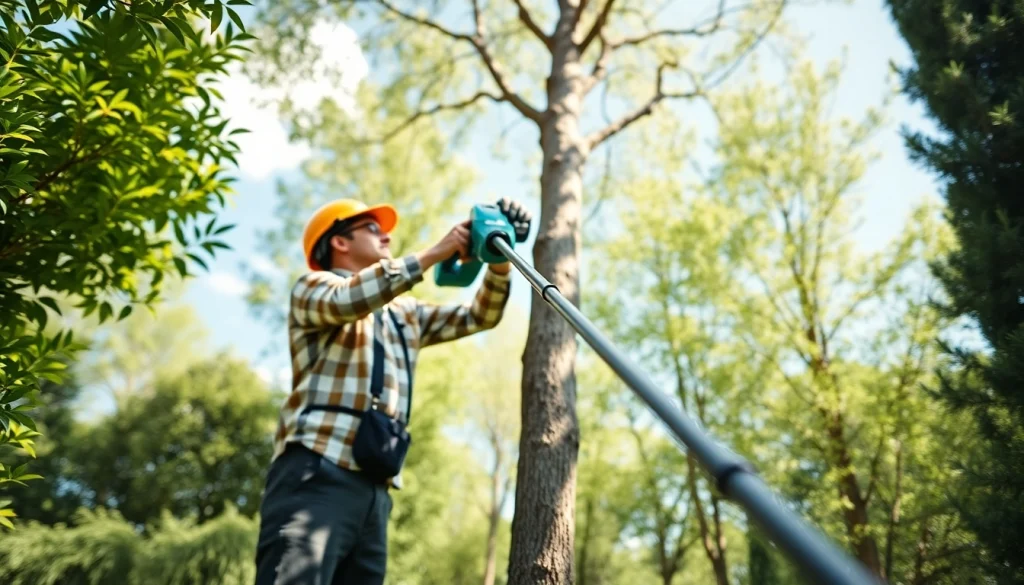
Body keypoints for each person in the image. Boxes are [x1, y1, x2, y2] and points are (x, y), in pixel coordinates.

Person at [254, 197, 532, 585]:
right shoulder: (314, 287)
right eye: (372, 228)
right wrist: (439, 251)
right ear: (339, 241)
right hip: (316, 470)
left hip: (376, 490)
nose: (386, 235)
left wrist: (496, 255)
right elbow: (351, 299)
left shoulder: (405, 314)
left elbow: (479, 316)